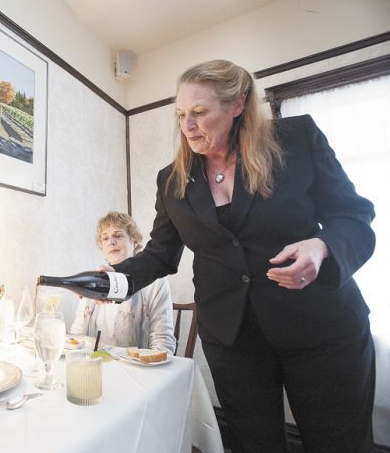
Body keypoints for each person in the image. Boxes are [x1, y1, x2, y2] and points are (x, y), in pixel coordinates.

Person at [108, 60, 376, 452]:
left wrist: (321, 248)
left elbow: (353, 216)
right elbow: (162, 253)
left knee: (340, 444)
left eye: (200, 112)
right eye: (181, 114)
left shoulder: (296, 139)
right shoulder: (172, 179)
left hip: (321, 328)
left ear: (238, 105)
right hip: (233, 340)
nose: (188, 125)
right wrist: (112, 278)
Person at [70, 211, 176, 354]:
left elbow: (163, 344)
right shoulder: (93, 282)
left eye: (118, 236)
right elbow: (77, 335)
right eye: (105, 238)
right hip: (97, 368)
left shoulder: (156, 283)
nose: (111, 242)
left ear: (134, 241)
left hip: (138, 371)